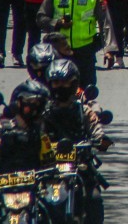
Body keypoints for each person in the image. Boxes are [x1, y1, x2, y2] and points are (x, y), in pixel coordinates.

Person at [44, 59, 109, 224]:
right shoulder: (44, 111)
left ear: (73, 83)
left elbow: (96, 128)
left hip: (79, 164)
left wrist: (100, 139)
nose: (60, 86)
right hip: (49, 166)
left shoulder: (83, 109)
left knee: (94, 198)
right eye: (56, 82)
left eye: (65, 82)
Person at [37, 0, 107, 88]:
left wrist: (104, 47)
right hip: (60, 52)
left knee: (87, 93)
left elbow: (106, 24)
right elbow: (40, 17)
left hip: (85, 52)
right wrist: (57, 23)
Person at [0, 80, 53, 174]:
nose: (35, 106)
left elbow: (50, 167)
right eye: (31, 101)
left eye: (38, 103)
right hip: (0, 185)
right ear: (18, 102)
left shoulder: (42, 132)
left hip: (33, 186)